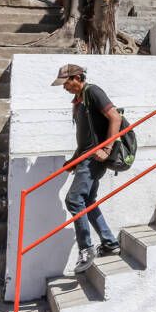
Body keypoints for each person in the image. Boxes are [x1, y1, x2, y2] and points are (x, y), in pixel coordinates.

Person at [52, 64, 122, 274]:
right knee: (87, 202)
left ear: (77, 77)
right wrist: (74, 160)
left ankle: (86, 249)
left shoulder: (93, 91)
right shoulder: (79, 102)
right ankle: (110, 243)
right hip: (85, 158)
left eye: (66, 83)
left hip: (94, 158)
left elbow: (115, 117)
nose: (64, 87)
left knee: (74, 200)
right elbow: (85, 140)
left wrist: (107, 149)